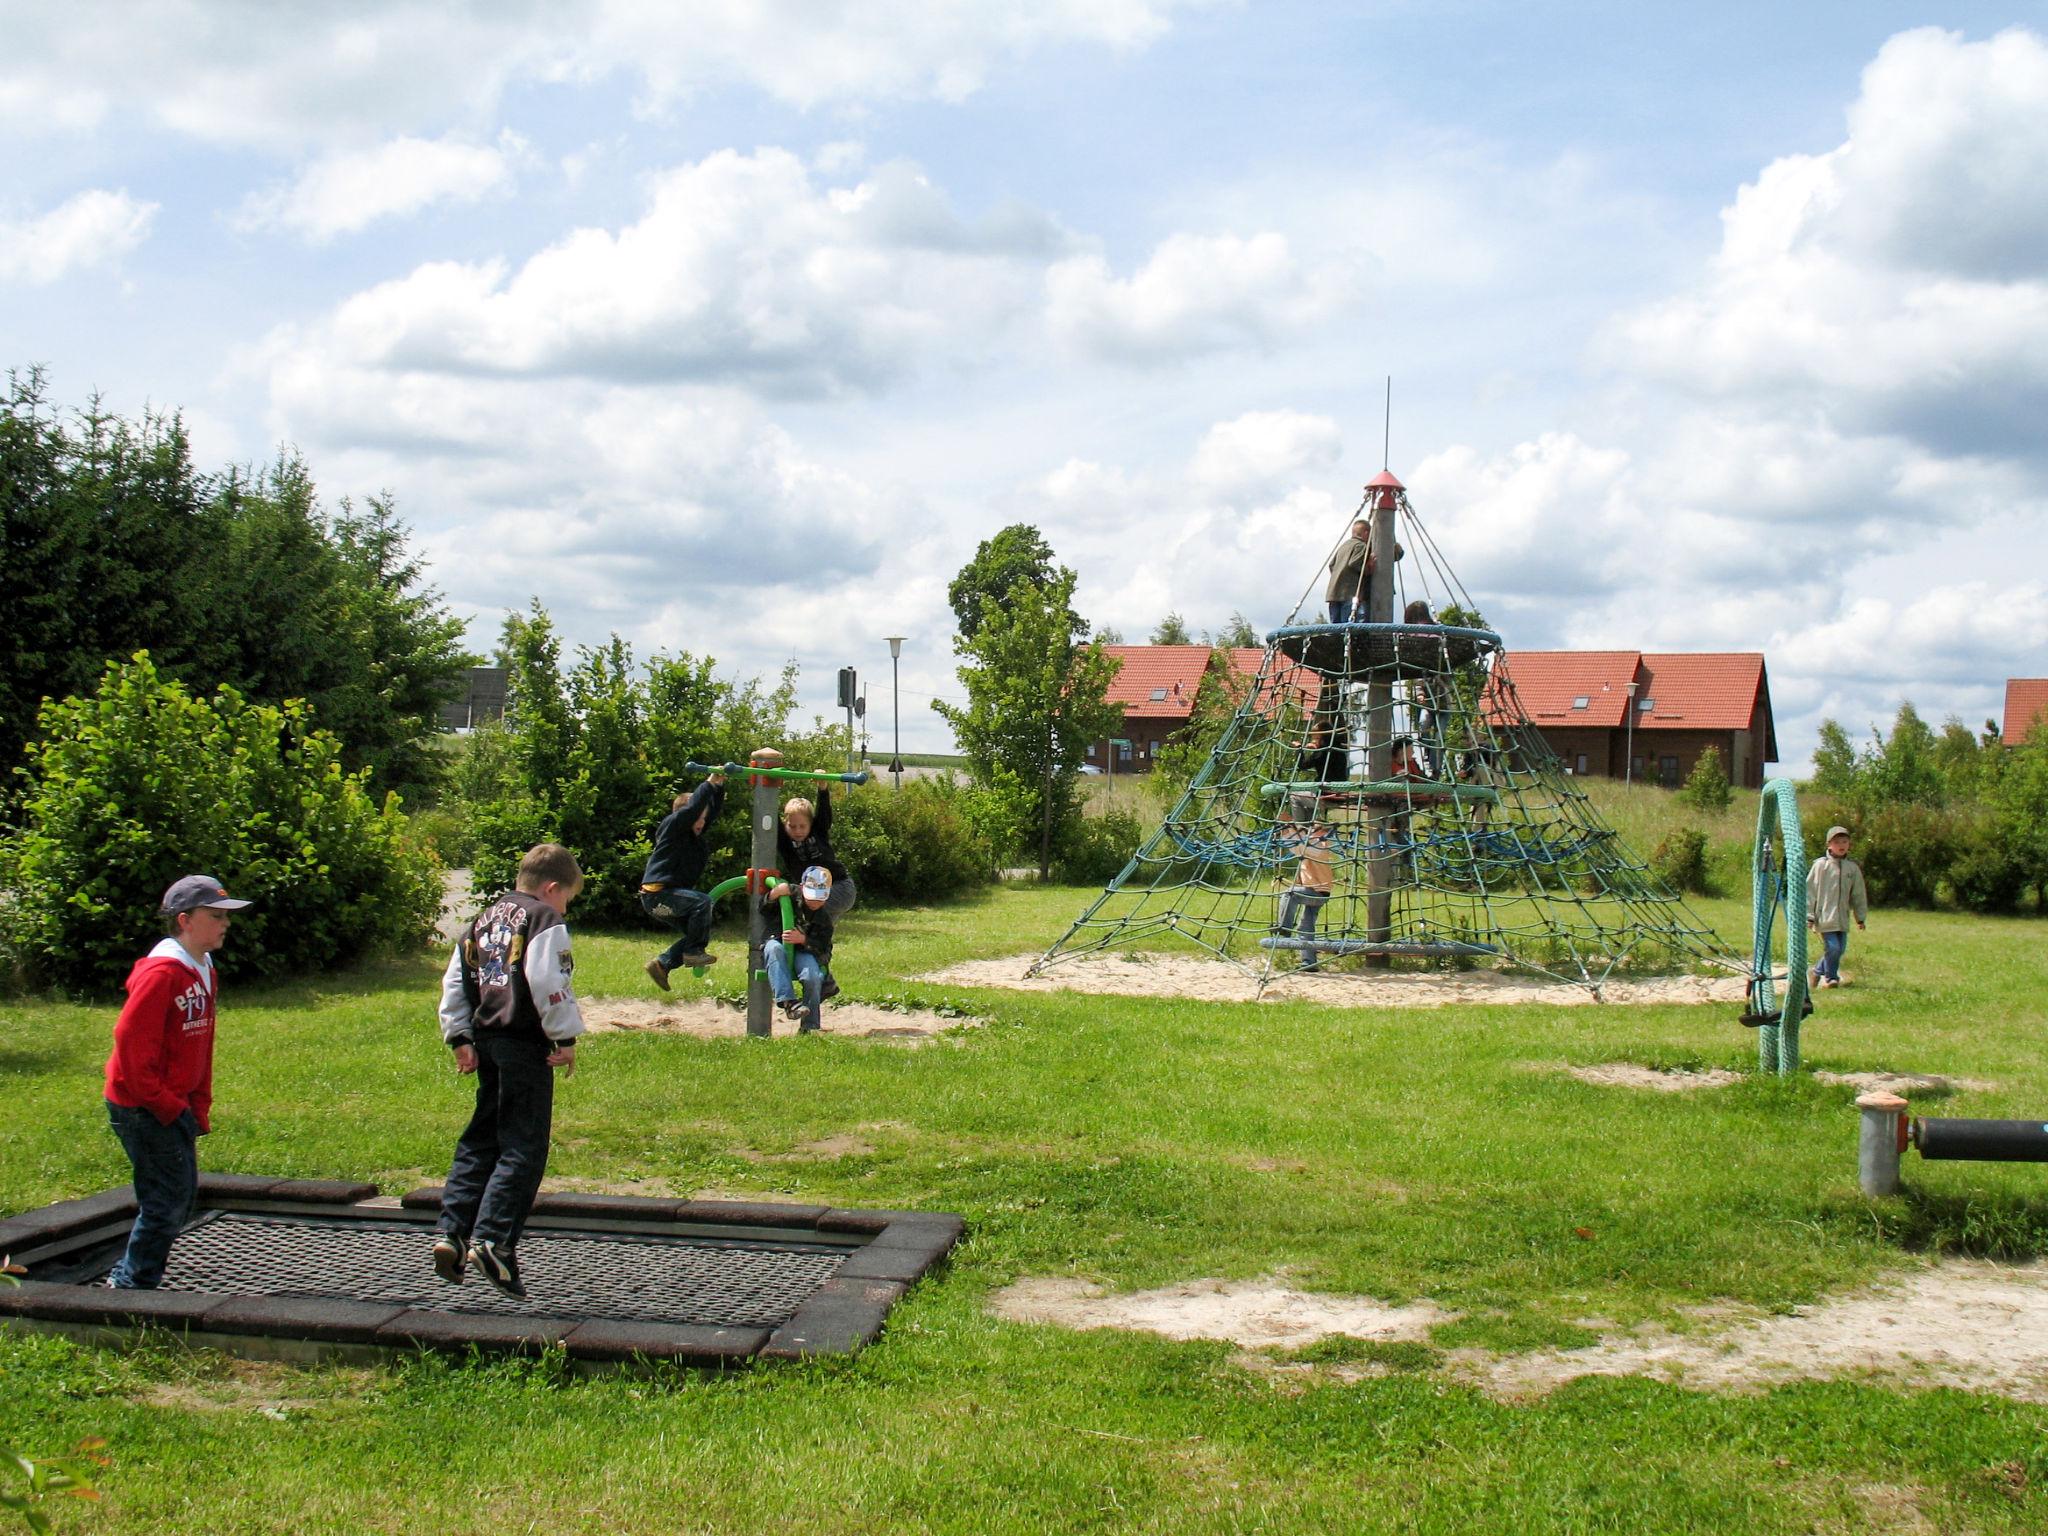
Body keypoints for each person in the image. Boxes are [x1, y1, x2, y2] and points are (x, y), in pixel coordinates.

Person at [435, 843, 587, 1298]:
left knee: (482, 1137)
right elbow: (548, 981)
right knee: (523, 1144)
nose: (565, 908)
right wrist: (565, 1037)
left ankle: (453, 1232)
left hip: (487, 1042)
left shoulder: (482, 920)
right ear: (551, 888)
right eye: (567, 899)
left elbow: (456, 981)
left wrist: (459, 1037)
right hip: (525, 1042)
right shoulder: (543, 919)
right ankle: (494, 1240)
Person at [102, 875, 253, 1289]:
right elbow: (131, 1052)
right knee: (166, 1200)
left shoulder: (203, 968)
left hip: (172, 1102)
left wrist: (197, 1105)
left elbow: (200, 1046)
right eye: (215, 916)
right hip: (142, 1104)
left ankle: (134, 1275)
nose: (225, 924)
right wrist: (170, 1107)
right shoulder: (162, 974)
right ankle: (133, 1284)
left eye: (227, 916)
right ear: (184, 920)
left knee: (178, 1196)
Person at [640, 770, 726, 990]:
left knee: (697, 930)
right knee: (702, 902)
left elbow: (711, 811)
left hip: (666, 897)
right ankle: (693, 952)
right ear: (684, 816)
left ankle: (662, 964)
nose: (702, 822)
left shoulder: (694, 835)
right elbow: (693, 809)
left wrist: (719, 787)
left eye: (703, 819)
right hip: (658, 893)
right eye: (698, 818)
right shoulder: (673, 828)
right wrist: (709, 783)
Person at [778, 792, 855, 1002]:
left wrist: (823, 789)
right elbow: (770, 820)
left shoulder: (818, 833)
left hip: (839, 888)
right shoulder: (785, 843)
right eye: (792, 826)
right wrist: (764, 787)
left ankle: (823, 979)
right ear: (785, 825)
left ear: (810, 825)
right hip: (815, 894)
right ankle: (826, 981)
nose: (798, 831)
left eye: (802, 826)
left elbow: (824, 816)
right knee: (818, 935)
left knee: (807, 923)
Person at [763, 865, 836, 1032]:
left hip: (804, 950)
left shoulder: (824, 919)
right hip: (777, 942)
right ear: (802, 887)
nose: (815, 902)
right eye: (812, 897)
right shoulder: (789, 894)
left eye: (820, 898)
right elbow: (763, 909)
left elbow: (823, 947)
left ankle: (810, 1026)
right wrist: (774, 894)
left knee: (812, 977)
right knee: (774, 949)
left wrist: (804, 939)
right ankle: (788, 1002)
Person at [1274, 806, 1335, 973]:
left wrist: (1290, 825)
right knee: (1305, 927)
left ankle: (1284, 927)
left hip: (1317, 893)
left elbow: (1299, 846)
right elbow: (1298, 845)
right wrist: (1288, 827)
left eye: (1315, 829)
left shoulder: (1321, 845)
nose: (1312, 832)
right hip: (1313, 890)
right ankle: (1309, 962)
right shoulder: (1314, 843)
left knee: (1290, 894)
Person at [1806, 824, 1868, 989]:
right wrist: (1809, 915)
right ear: (1829, 845)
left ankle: (1816, 971)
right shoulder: (1821, 866)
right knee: (1833, 948)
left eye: (1845, 841)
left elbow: (1858, 895)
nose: (1841, 845)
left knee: (1839, 950)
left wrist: (1860, 917)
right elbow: (1810, 891)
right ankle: (1831, 978)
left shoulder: (1852, 869)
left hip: (1842, 918)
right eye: (1837, 841)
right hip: (1825, 917)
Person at [1324, 517, 1405, 624]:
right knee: (1354, 629)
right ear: (1367, 533)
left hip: (1334, 595)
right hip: (1351, 595)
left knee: (1337, 630)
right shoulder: (1361, 546)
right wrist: (1368, 568)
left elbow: (1331, 565)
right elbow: (1355, 563)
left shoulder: (1343, 547)